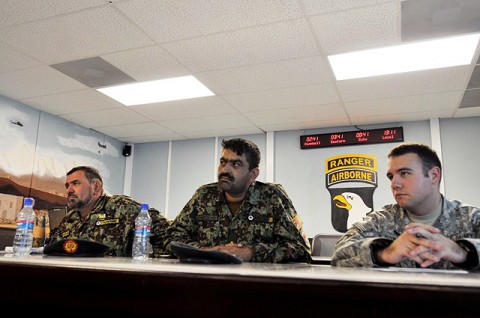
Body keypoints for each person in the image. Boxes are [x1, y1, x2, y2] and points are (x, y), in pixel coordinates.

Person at [331, 142, 480, 270]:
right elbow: (338, 256)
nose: (394, 184)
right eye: (391, 177)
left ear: (434, 175)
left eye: (404, 173)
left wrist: (463, 253)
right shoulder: (380, 220)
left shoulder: (471, 218)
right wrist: (385, 253)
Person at [164, 138, 312, 263]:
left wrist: (251, 253)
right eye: (223, 162)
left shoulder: (273, 196)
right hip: (207, 281)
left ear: (253, 174)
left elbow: (300, 248)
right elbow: (170, 238)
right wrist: (205, 251)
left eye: (236, 164)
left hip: (256, 284)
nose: (224, 170)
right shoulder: (204, 195)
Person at [47, 166, 170, 257]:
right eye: (67, 186)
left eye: (75, 183)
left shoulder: (121, 207)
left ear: (96, 187)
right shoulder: (69, 219)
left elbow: (167, 231)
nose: (69, 190)